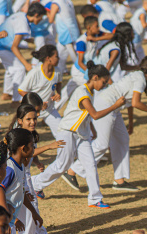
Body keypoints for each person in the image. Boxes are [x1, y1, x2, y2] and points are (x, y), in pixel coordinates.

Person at [32, 62, 125, 207]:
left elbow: (86, 116)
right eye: (104, 82)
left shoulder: (90, 92)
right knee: (61, 165)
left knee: (91, 165)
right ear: (95, 77)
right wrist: (115, 106)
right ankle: (34, 184)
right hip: (67, 132)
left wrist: (92, 132)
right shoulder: (83, 92)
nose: (105, 85)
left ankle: (95, 199)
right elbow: (94, 114)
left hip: (82, 135)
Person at [72, 55, 147, 192]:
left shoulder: (137, 75)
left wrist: (131, 123)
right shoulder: (140, 79)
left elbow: (129, 102)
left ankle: (119, 180)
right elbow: (136, 103)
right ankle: (71, 171)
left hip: (114, 108)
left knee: (122, 139)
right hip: (107, 104)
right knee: (102, 144)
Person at [12, 104, 64, 234]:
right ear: (20, 120)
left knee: (31, 205)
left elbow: (30, 152)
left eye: (35, 118)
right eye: (28, 119)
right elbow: (26, 153)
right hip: (19, 175)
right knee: (27, 206)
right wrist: (48, 147)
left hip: (25, 174)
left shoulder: (30, 134)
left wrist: (37, 162)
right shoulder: (18, 135)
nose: (33, 122)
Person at [0, 2, 47, 103]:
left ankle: (7, 93)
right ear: (36, 15)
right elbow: (14, 47)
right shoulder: (23, 24)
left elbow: (15, 35)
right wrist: (26, 64)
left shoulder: (21, 15)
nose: (41, 20)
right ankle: (16, 100)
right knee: (20, 69)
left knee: (11, 68)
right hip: (0, 47)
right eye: (41, 17)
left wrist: (30, 41)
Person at [56, 16, 111, 110]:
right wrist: (91, 73)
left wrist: (96, 39)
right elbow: (80, 62)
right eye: (96, 26)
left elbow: (112, 35)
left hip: (87, 70)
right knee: (95, 88)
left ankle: (52, 111)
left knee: (67, 91)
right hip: (80, 71)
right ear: (89, 28)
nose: (98, 29)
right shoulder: (81, 42)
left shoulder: (97, 35)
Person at [18, 44, 62, 138]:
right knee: (26, 138)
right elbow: (21, 90)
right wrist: (38, 104)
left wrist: (58, 93)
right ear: (48, 58)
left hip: (49, 110)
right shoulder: (34, 73)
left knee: (62, 133)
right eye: (56, 56)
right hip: (31, 112)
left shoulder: (58, 71)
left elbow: (59, 83)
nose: (59, 58)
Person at [46, 0, 81, 74]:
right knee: (59, 55)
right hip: (72, 31)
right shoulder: (69, 2)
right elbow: (75, 17)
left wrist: (47, 13)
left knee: (75, 58)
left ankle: (81, 72)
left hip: (67, 34)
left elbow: (50, 19)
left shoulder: (55, 3)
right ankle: (59, 73)